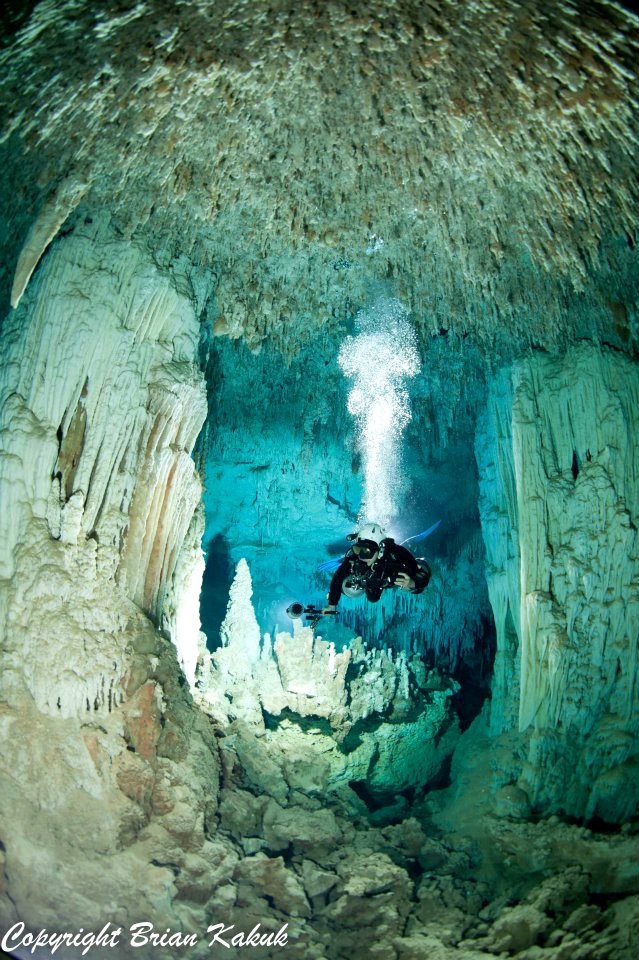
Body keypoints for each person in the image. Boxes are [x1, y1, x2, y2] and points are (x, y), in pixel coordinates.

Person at [322, 522, 431, 613]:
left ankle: (412, 545)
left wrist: (411, 583)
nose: (360, 556)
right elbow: (338, 576)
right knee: (371, 597)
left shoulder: (396, 556)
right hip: (375, 578)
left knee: (415, 587)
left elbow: (422, 579)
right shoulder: (354, 557)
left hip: (389, 572)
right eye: (358, 549)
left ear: (380, 550)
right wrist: (332, 604)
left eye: (366, 552)